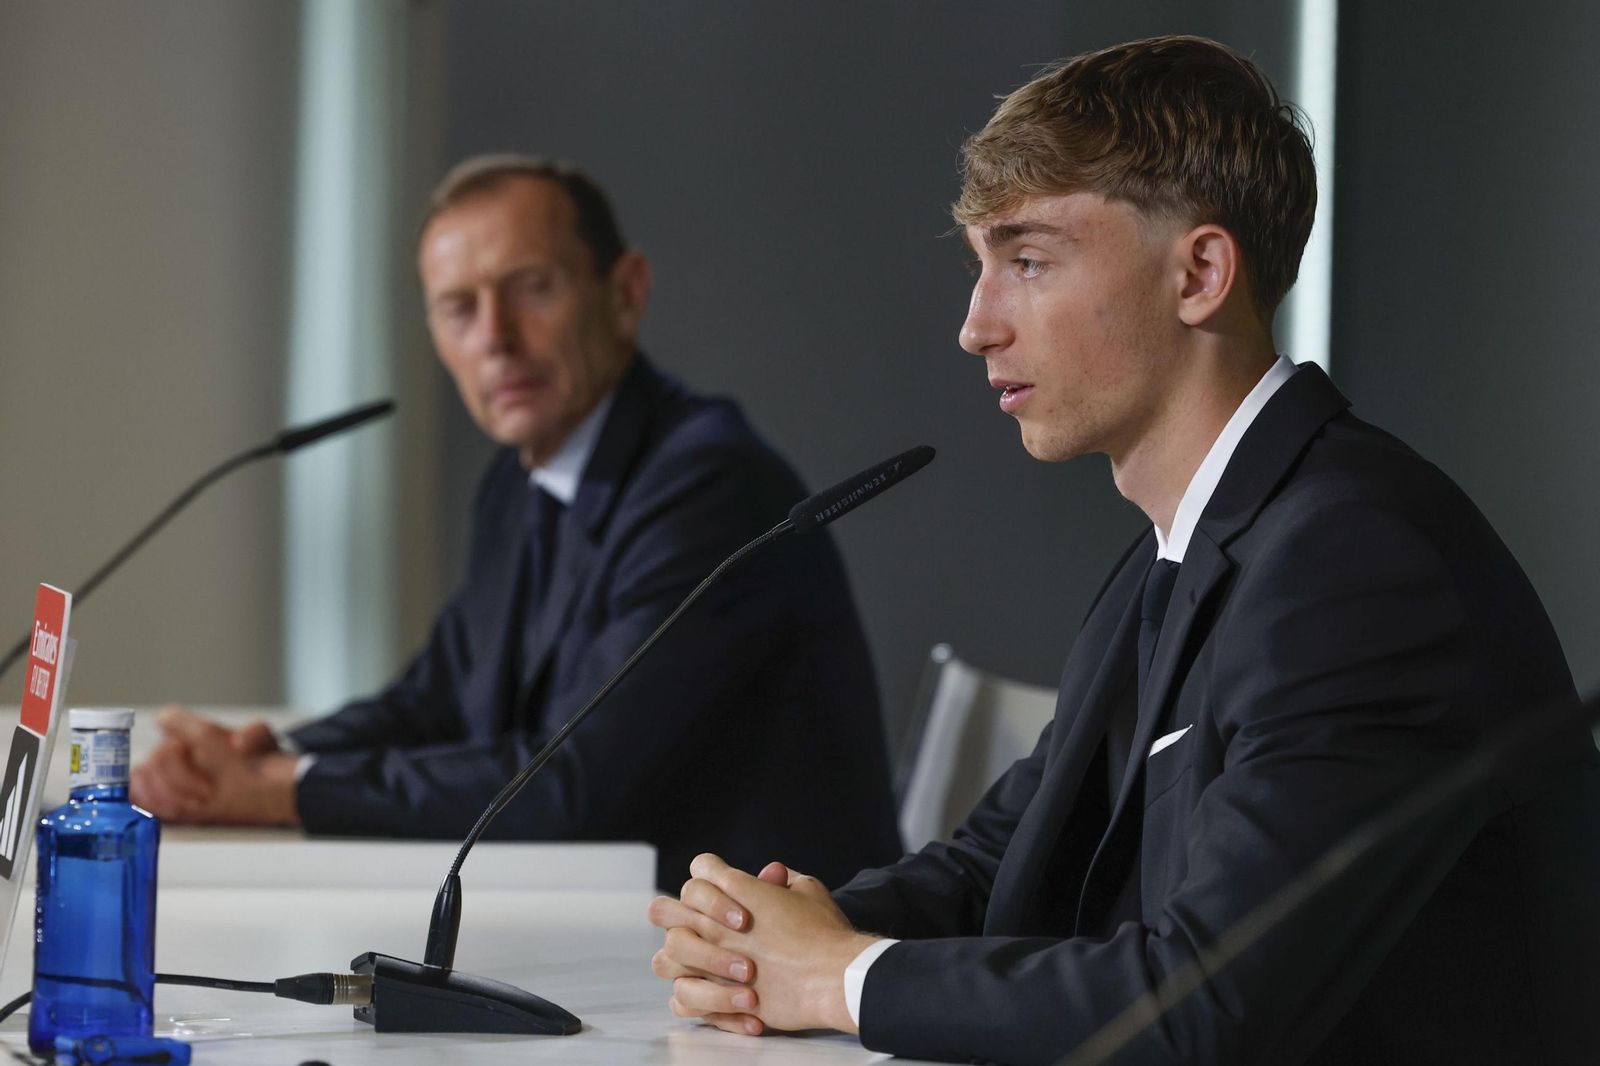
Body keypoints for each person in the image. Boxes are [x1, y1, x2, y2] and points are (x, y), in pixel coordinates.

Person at [647, 36, 1600, 1064]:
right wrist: (770, 939)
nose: (976, 325)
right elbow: (1004, 859)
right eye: (980, 268)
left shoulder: (1356, 562)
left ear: (1198, 272)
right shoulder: (1187, 543)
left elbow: (1204, 1003)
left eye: (1027, 261)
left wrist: (840, 975)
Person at [130, 155, 903, 890]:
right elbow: (435, 700)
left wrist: (280, 790)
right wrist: (266, 753)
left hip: (764, 965)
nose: (494, 338)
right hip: (618, 919)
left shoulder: (707, 485)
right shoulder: (520, 475)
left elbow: (569, 783)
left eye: (531, 288)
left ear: (625, 292)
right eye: (458, 308)